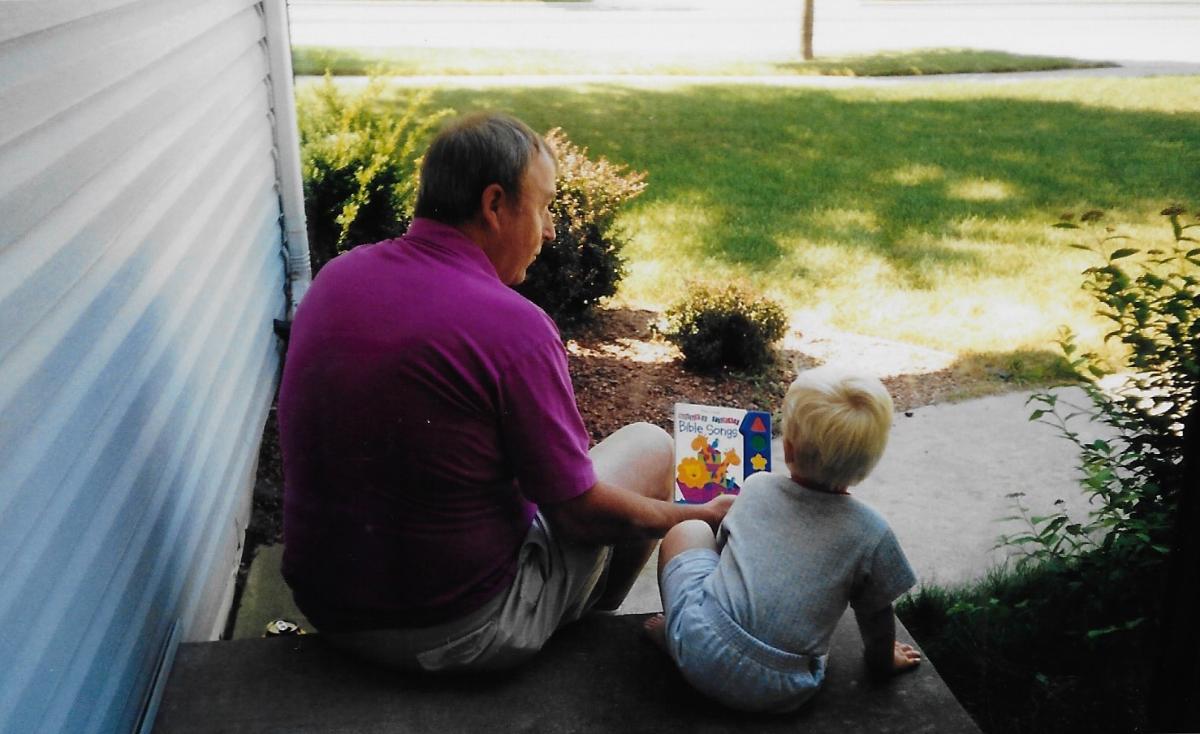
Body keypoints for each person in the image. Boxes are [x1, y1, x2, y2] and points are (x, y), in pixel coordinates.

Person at [277, 111, 733, 672]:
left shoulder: (337, 278)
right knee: (651, 448)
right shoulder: (513, 327)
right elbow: (579, 517)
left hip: (330, 609)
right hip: (454, 633)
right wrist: (699, 515)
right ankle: (579, 628)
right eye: (543, 207)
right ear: (494, 205)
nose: (549, 232)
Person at [644, 365, 921, 712]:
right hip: (784, 688)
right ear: (869, 463)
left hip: (700, 650)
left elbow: (727, 552)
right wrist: (883, 663)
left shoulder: (757, 486)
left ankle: (676, 633)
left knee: (689, 530)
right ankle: (687, 637)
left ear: (788, 449)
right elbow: (877, 616)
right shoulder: (873, 533)